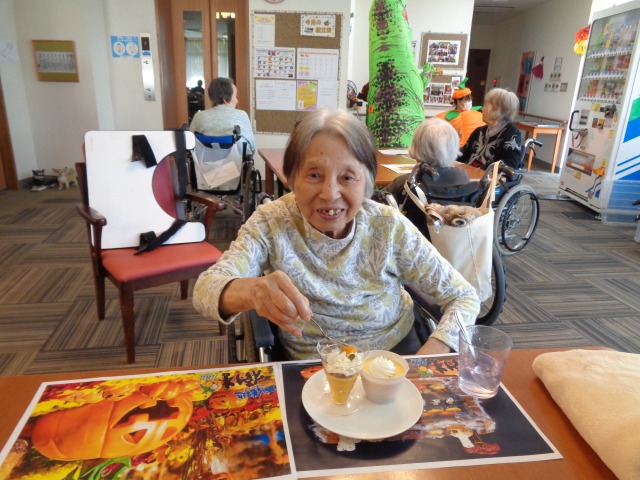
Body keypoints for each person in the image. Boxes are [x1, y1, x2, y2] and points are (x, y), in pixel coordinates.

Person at [193, 109, 480, 360]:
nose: (330, 194)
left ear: (366, 182)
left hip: (394, 355)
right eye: (314, 175)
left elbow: (464, 296)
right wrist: (252, 292)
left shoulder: (388, 226)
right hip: (312, 367)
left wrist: (427, 358)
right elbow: (205, 289)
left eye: (347, 177)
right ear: (292, 178)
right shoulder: (271, 222)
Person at [384, 117, 479, 235]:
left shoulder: (406, 183)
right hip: (454, 240)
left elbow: (378, 205)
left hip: (415, 239)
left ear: (416, 147)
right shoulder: (463, 177)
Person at [459, 88, 522, 170]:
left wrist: (481, 169)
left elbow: (510, 163)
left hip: (486, 176)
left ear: (498, 109)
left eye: (486, 105)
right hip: (468, 172)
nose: (482, 109)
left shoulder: (512, 134)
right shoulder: (479, 131)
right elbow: (464, 152)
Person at [189, 77, 256, 153]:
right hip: (237, 160)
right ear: (225, 99)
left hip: (204, 160)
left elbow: (189, 143)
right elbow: (252, 146)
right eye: (235, 96)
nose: (237, 101)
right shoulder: (242, 115)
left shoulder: (199, 117)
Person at [435, 77, 485, 147]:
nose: (469, 102)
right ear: (458, 102)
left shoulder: (479, 115)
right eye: (466, 100)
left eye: (470, 99)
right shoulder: (444, 117)